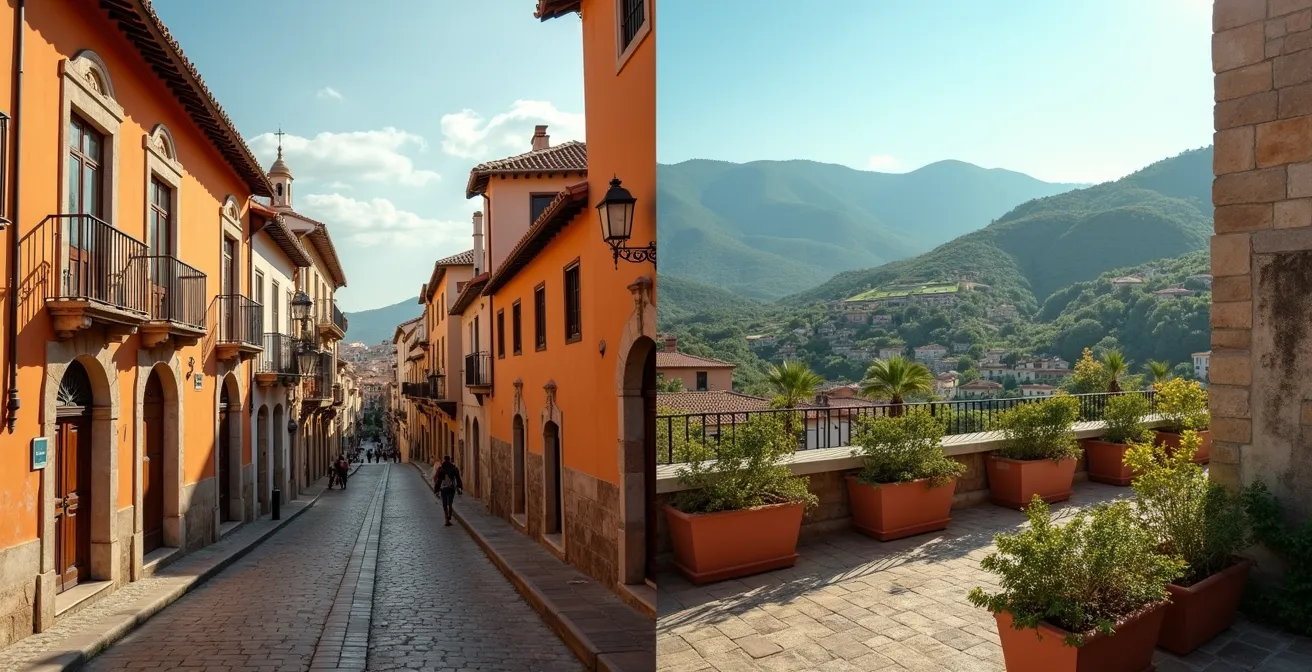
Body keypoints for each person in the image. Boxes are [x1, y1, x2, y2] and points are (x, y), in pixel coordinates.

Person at [433, 456, 463, 526]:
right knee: (450, 504)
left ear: (444, 460)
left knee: (444, 504)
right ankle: (449, 515)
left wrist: (436, 490)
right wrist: (460, 487)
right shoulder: (454, 468)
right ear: (449, 460)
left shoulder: (441, 468)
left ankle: (446, 519)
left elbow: (438, 480)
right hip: (451, 488)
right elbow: (458, 478)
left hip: (443, 489)